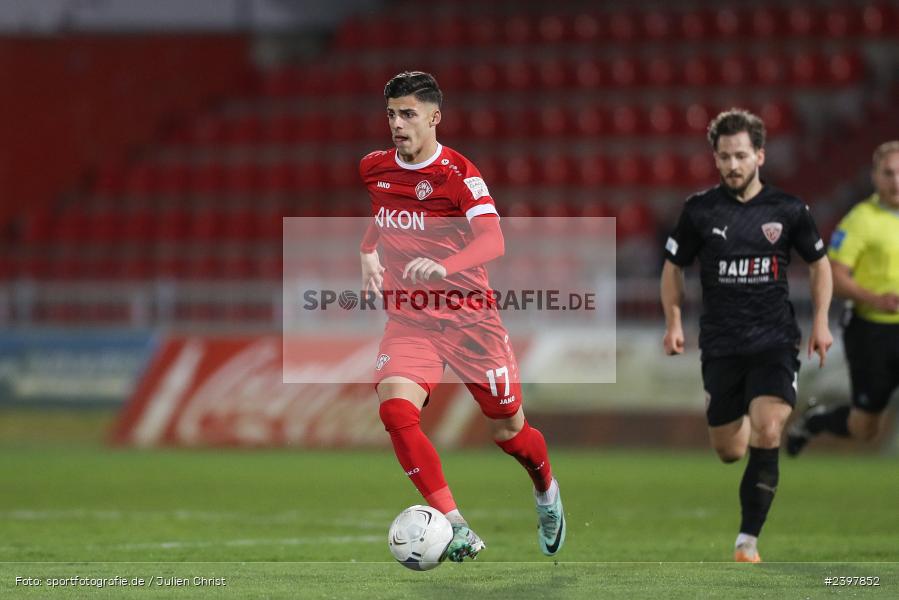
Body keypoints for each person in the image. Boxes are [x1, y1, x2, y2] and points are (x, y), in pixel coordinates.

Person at [358, 71, 565, 562]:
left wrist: (444, 265)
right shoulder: (373, 168)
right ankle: (455, 525)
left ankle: (546, 492)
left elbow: (494, 240)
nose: (397, 124)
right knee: (395, 410)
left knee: (509, 432)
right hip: (410, 320)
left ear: (434, 117)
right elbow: (383, 212)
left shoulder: (458, 175)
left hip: (470, 321)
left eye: (408, 114)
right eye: (391, 114)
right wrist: (367, 250)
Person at [660, 109, 833, 563]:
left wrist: (820, 322)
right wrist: (674, 321)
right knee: (730, 450)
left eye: (740, 155)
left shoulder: (789, 210)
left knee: (769, 427)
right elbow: (673, 268)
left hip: (774, 341)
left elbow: (819, 265)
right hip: (721, 345)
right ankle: (731, 426)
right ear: (714, 159)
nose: (732, 165)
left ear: (759, 155)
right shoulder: (699, 211)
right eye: (724, 157)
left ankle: (747, 542)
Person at [787, 141, 899, 454]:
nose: (896, 181)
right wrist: (876, 299)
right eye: (888, 173)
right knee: (865, 428)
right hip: (872, 329)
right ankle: (815, 421)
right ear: (876, 177)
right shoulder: (861, 220)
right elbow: (834, 276)